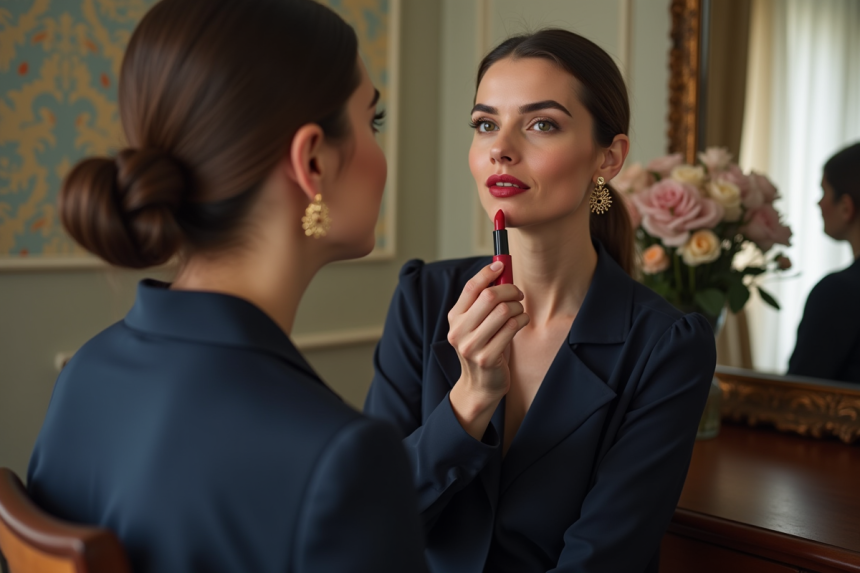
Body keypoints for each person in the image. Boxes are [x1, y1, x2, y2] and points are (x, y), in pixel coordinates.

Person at [27, 1, 427, 572]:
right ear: (312, 161)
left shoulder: (86, 375)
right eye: (373, 121)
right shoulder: (341, 459)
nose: (380, 150)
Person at [364, 29, 716, 573]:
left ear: (608, 157)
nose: (501, 148)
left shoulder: (665, 346)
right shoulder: (423, 299)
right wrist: (470, 401)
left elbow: (603, 559)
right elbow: (370, 522)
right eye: (486, 124)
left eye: (541, 124)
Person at [788, 142, 860, 382]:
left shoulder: (838, 292)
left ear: (846, 207)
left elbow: (798, 395)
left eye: (824, 192)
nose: (819, 204)